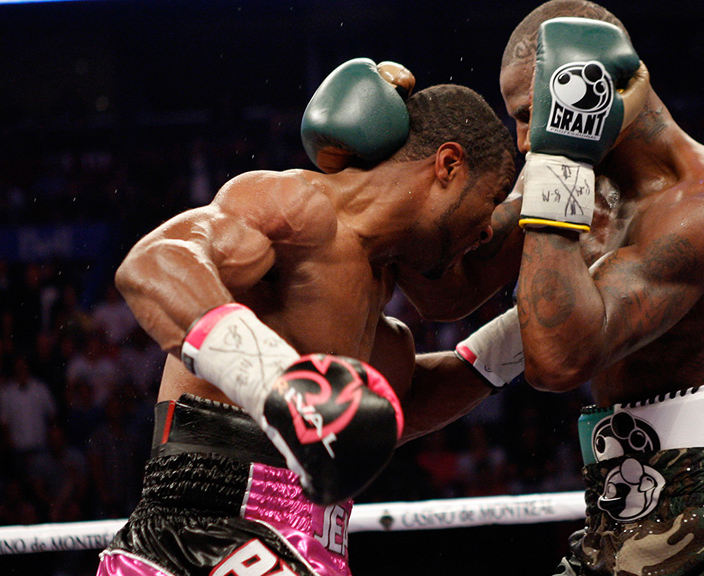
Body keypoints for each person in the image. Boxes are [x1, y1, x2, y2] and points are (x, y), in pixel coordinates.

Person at [418, 2, 704, 574]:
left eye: (532, 115)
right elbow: (444, 293)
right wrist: (383, 165)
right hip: (616, 511)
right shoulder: (567, 171)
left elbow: (559, 362)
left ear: (593, 93)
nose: (525, 141)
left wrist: (560, 162)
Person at [95, 57, 517, 576]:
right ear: (448, 165)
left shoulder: (385, 331)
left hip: (312, 545)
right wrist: (273, 379)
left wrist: (520, 336)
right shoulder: (300, 211)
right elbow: (156, 263)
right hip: (202, 532)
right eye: (493, 199)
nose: (488, 229)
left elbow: (387, 411)